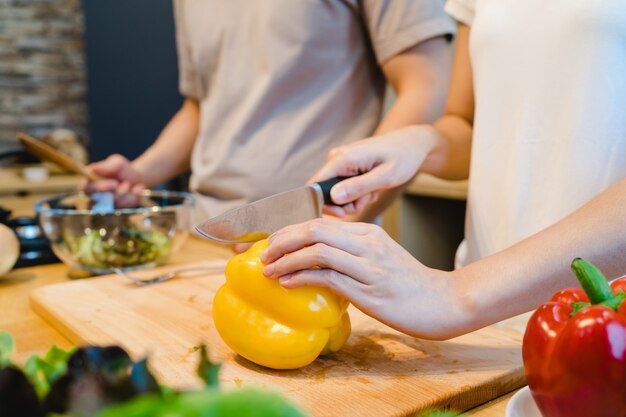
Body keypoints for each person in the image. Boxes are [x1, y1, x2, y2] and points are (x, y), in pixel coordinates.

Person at [260, 0, 626, 339]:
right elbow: (467, 124)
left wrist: (456, 293)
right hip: (488, 322)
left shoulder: (459, 298)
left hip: (607, 323)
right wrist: (422, 143)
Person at [83, 0, 455, 227]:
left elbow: (426, 84)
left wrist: (336, 223)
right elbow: (201, 106)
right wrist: (142, 173)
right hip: (205, 230)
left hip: (316, 238)